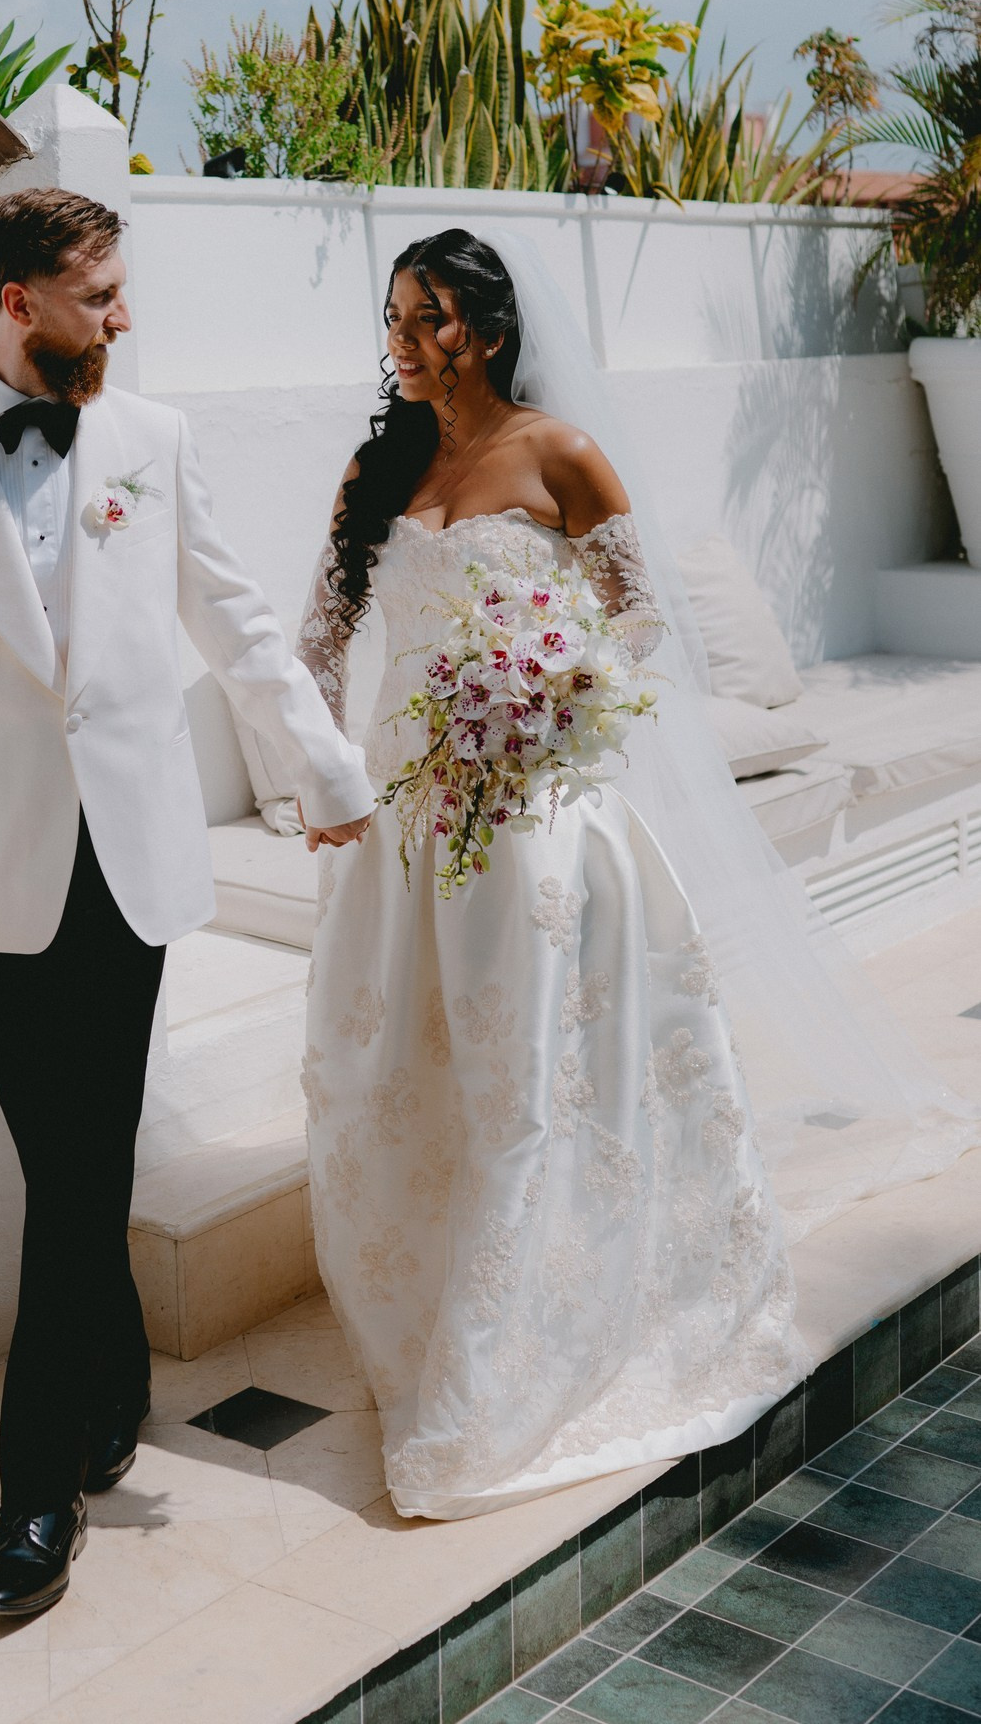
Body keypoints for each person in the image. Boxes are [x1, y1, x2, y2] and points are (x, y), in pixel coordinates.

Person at [299, 226, 976, 1521]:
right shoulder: (377, 464)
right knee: (391, 1062)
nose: (398, 340)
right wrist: (328, 773)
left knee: (529, 1076)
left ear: (484, 333)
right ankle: (434, 1288)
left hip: (538, 806)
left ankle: (516, 1349)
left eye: (423, 317)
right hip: (409, 813)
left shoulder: (562, 453)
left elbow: (640, 618)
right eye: (390, 316)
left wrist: (544, 686)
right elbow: (322, 637)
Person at [0, 186, 374, 1614]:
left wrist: (322, 770)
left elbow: (237, 620)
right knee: (70, 1171)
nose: (127, 317)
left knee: (71, 1179)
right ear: (20, 306)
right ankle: (115, 1376)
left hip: (127, 871)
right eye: (103, 295)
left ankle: (32, 1498)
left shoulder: (154, 439)